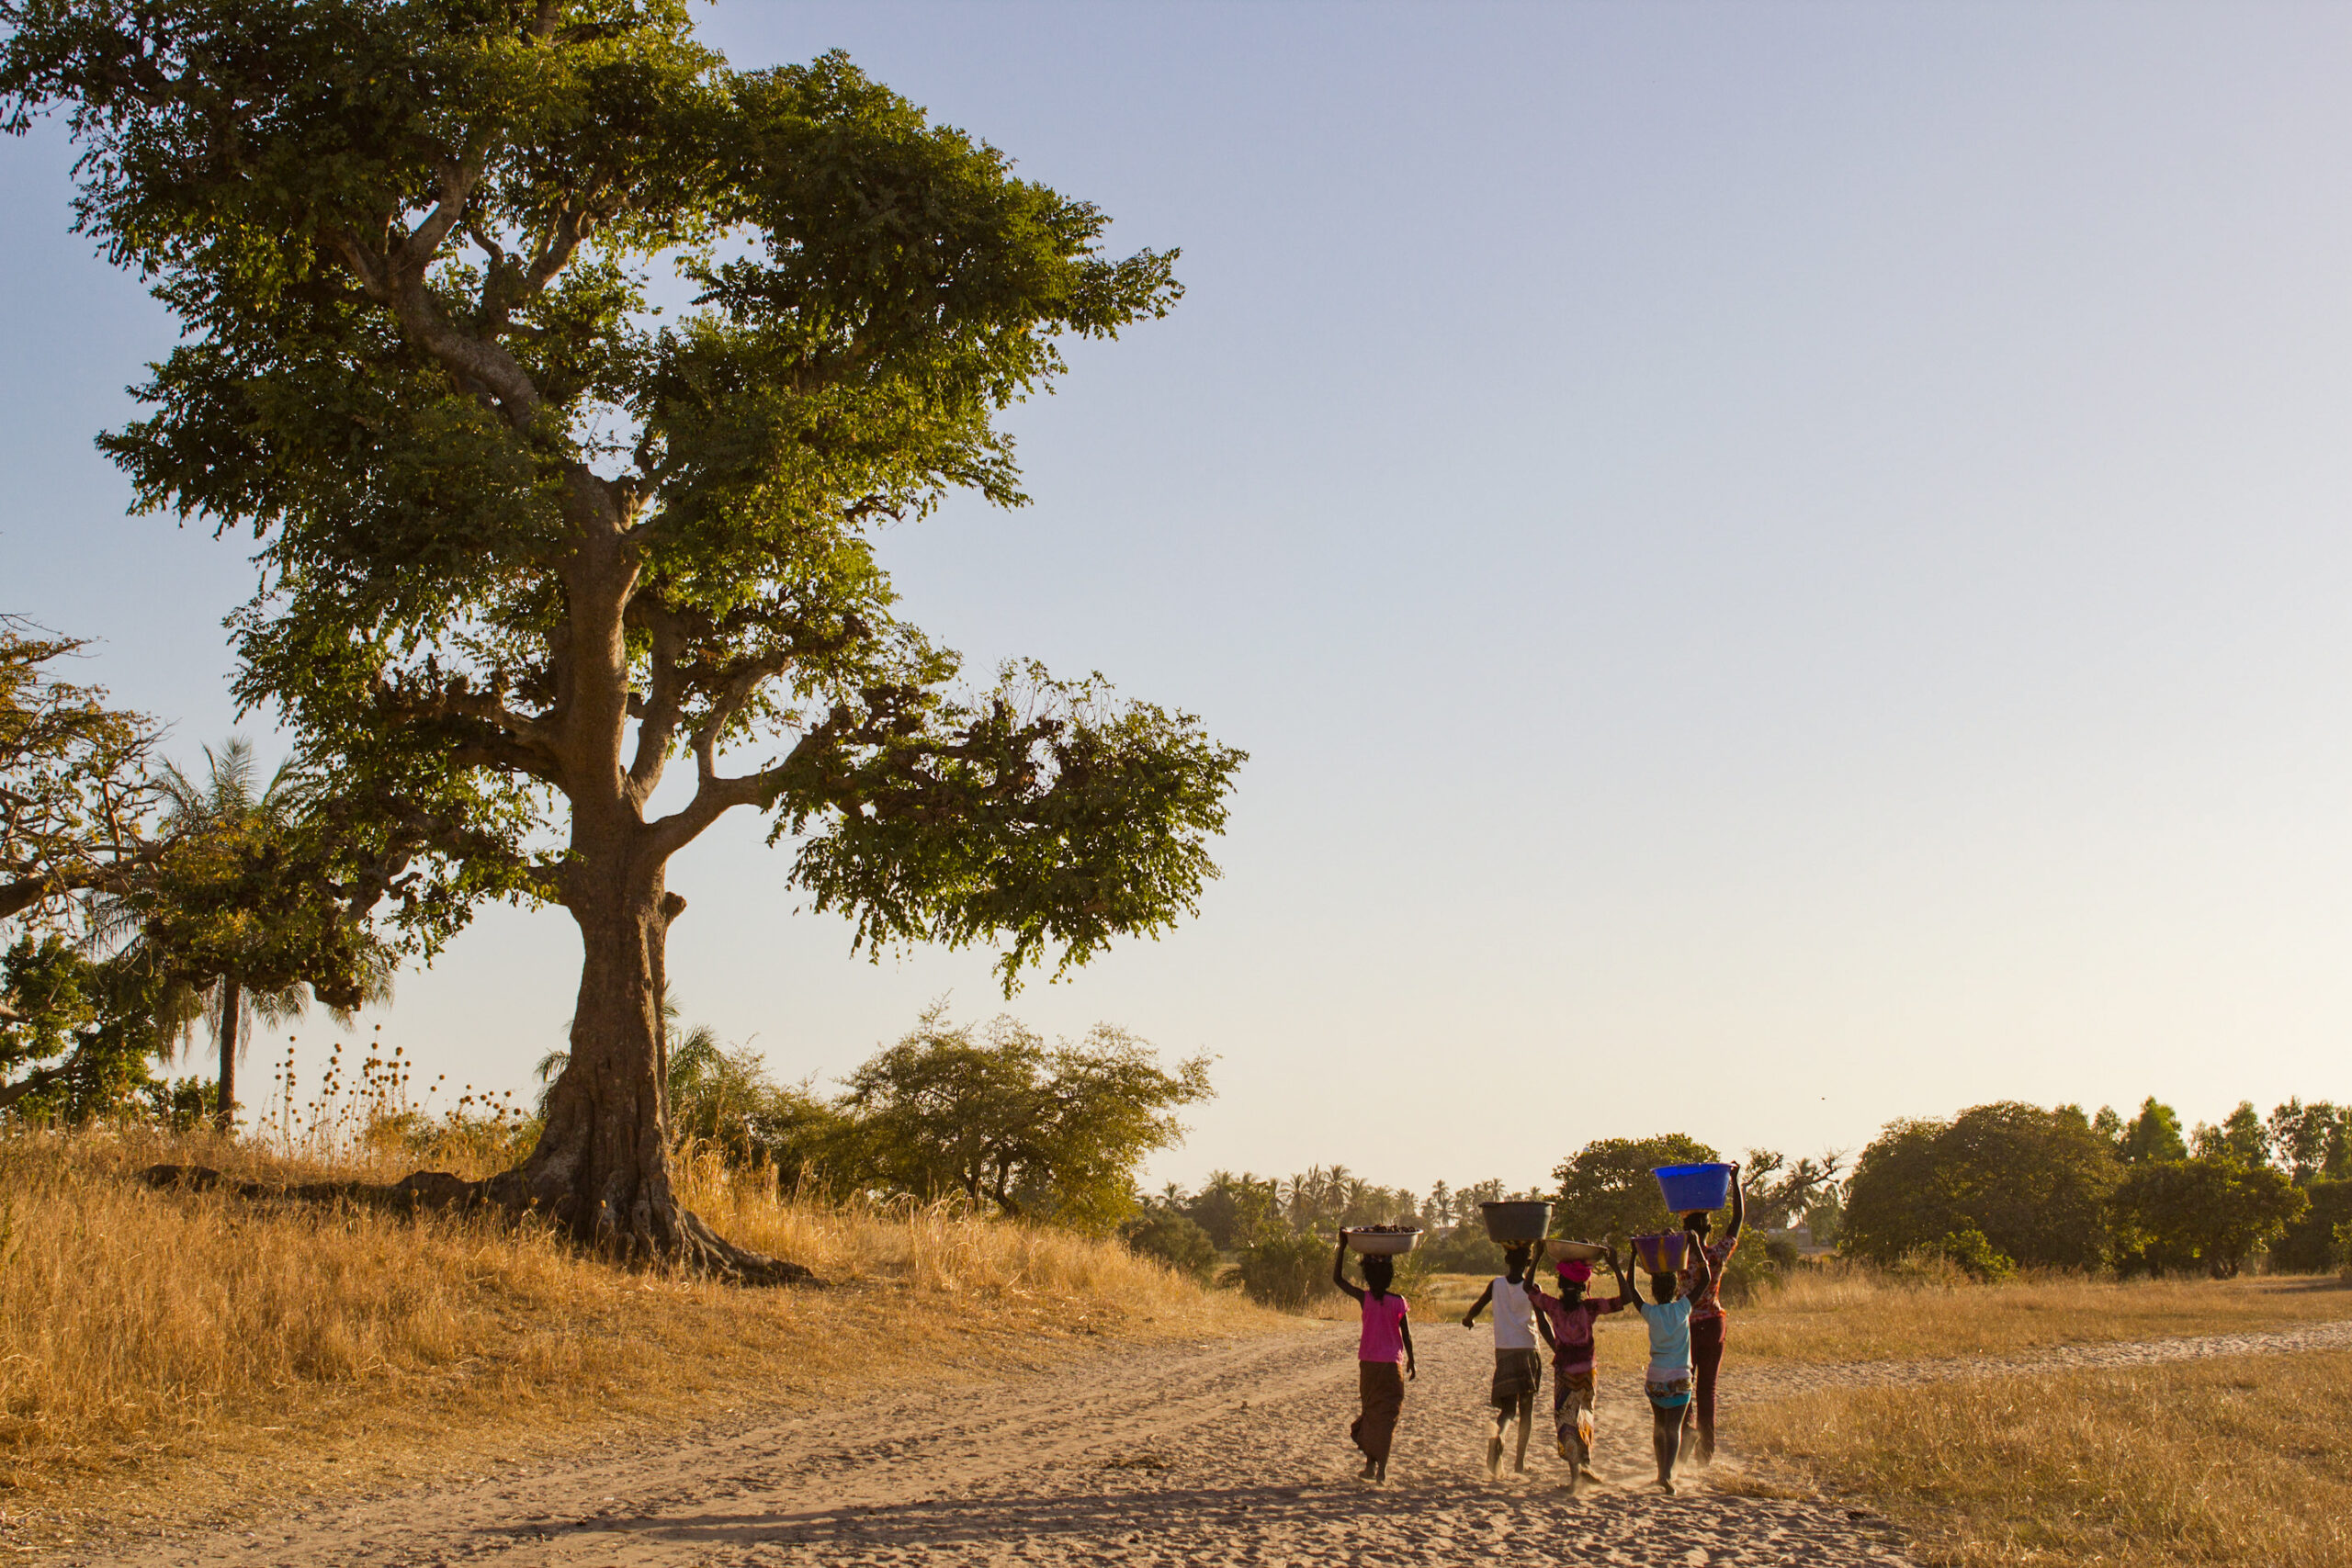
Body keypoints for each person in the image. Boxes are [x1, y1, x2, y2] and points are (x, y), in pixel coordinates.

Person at [1525, 1247, 1630, 1495]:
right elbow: (1625, 1299)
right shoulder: (1590, 1309)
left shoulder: (1553, 1307)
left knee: (1567, 1422)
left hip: (1564, 1372)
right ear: (1583, 1287)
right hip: (1587, 1373)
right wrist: (1615, 1265)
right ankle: (1587, 1466)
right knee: (1585, 1417)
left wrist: (1538, 1255)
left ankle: (1576, 1477)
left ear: (1560, 1284)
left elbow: (1527, 1288)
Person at [1628, 1235, 1714, 1493]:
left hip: (1655, 1379)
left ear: (1654, 1291)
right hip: (1679, 1378)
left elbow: (1631, 1290)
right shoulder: (1683, 1308)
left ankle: (1659, 1473)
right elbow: (1706, 1280)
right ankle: (1668, 1474)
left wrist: (1632, 1256)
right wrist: (1697, 1245)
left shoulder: (1650, 1313)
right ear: (1676, 1288)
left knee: (1659, 1427)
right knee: (1674, 1428)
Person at [1333, 1236, 1416, 1482]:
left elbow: (1337, 1279)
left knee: (1371, 1413)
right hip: (1392, 1365)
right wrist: (1413, 1360)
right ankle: (1380, 1470)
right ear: (1390, 1276)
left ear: (1368, 1276)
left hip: (1369, 1365)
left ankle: (1371, 1465)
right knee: (1387, 1416)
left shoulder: (1365, 1298)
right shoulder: (1398, 1302)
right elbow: (1407, 1335)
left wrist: (1343, 1246)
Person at [1679, 1162, 1744, 1464]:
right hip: (1713, 1325)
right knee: (1708, 1390)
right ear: (1708, 1229)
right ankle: (1707, 1453)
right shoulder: (1715, 1255)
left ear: (1684, 1231)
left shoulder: (1677, 1258)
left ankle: (1687, 1432)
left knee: (1685, 1386)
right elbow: (1737, 1220)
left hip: (1686, 1327)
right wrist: (1735, 1181)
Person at [1462, 1241, 1544, 1478]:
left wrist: (1469, 1319)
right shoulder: (1532, 1288)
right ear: (1527, 1263)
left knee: (1508, 1410)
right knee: (1526, 1409)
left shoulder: (1496, 1284)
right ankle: (1519, 1463)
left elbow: (1477, 1306)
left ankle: (1498, 1435)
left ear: (1507, 1261)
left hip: (1504, 1351)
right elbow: (1543, 1319)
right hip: (1528, 1349)